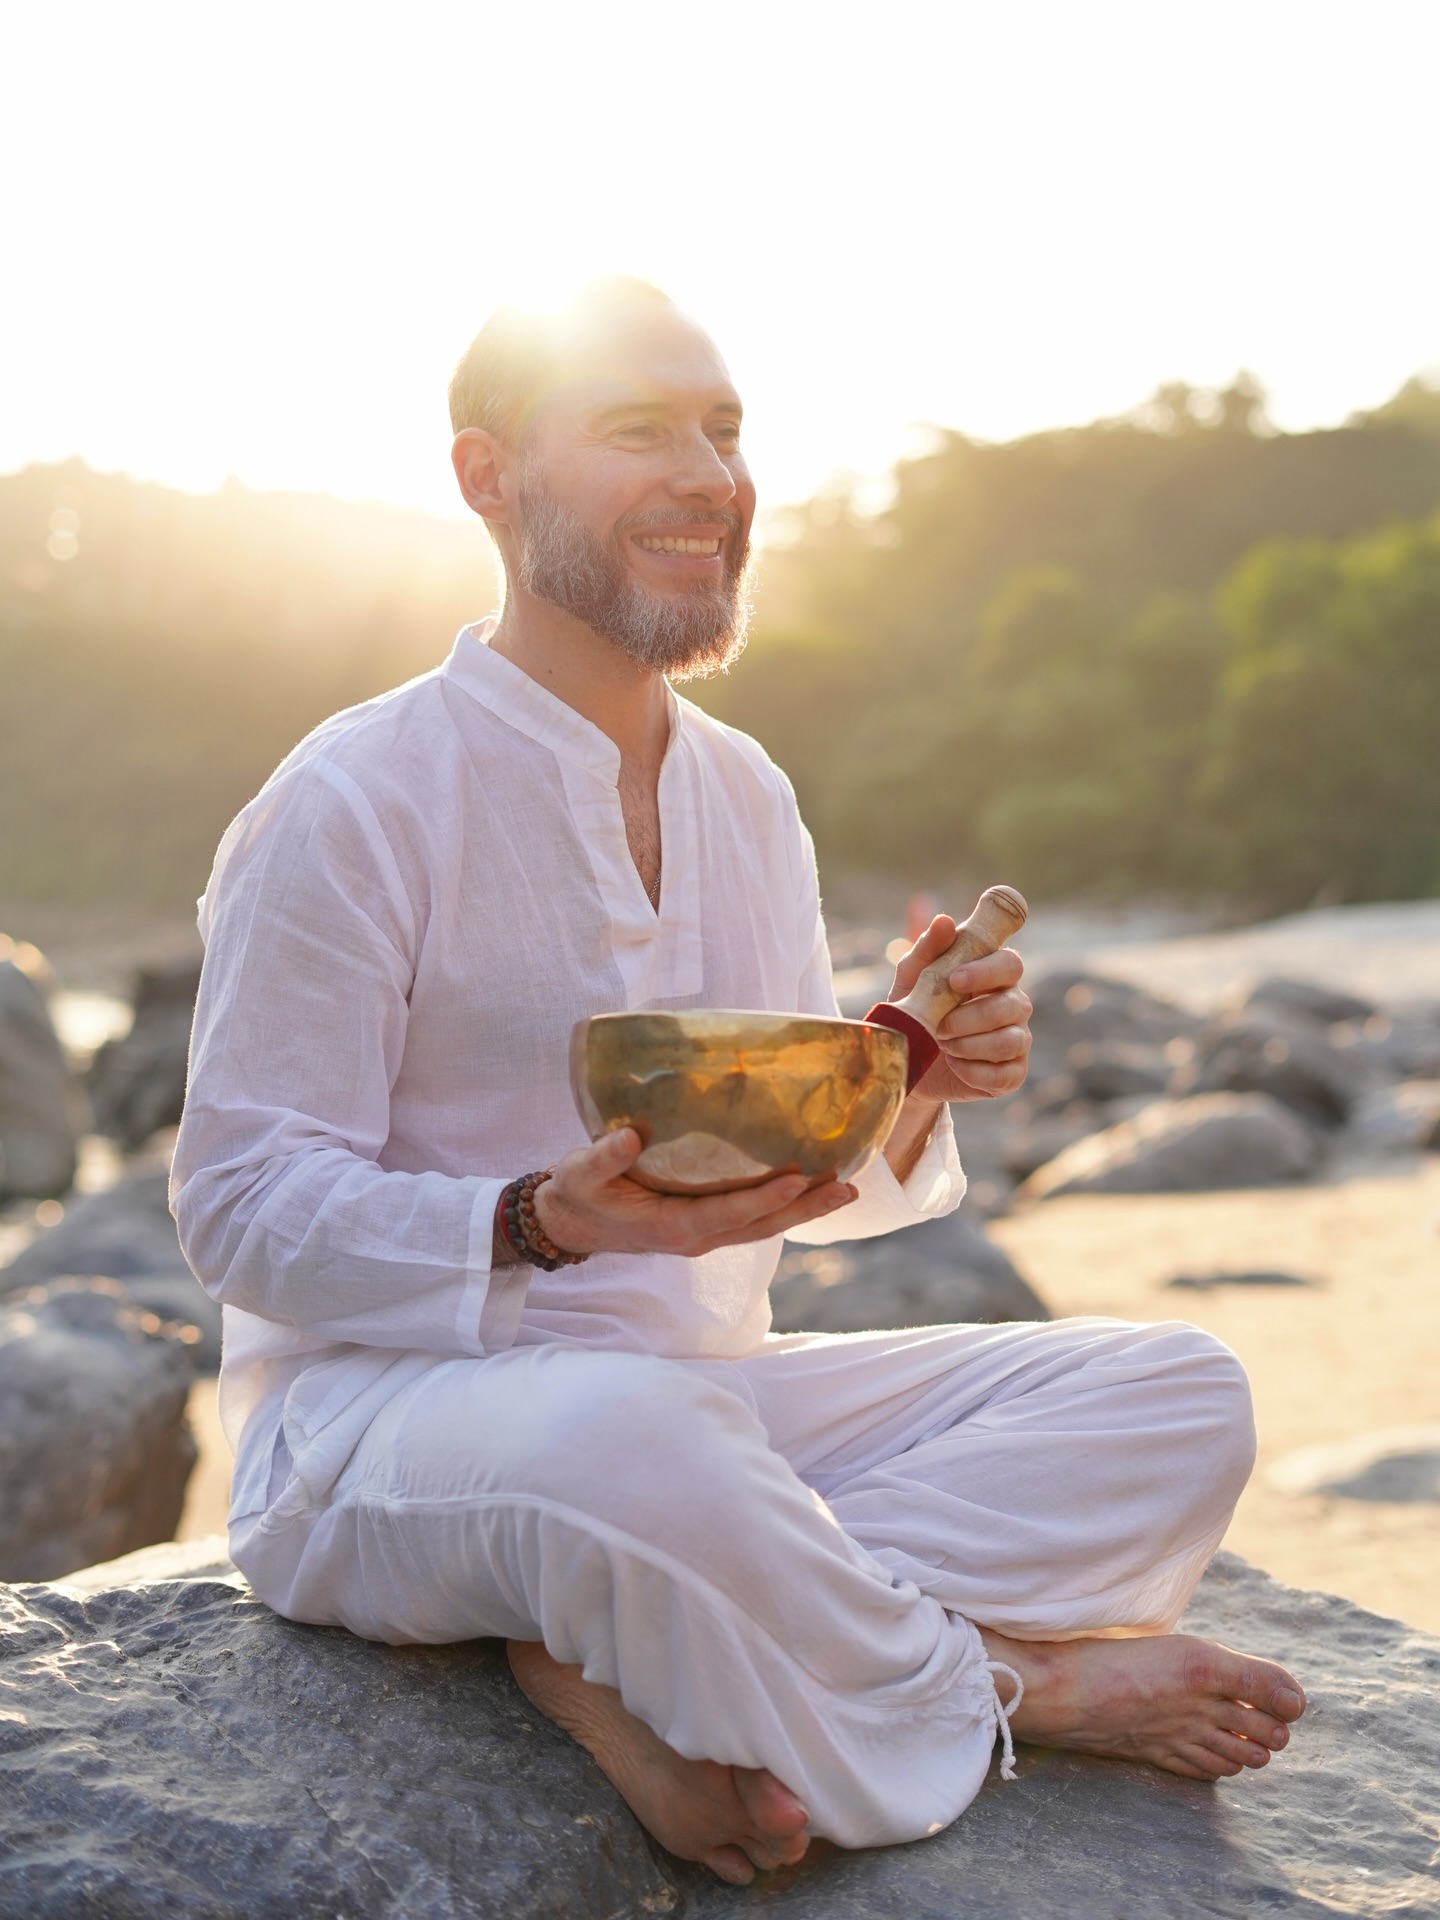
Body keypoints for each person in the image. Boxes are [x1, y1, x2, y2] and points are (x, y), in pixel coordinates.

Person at [172, 278, 1305, 1886]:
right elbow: (237, 1207)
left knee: (1180, 1396)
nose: (711, 476)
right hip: (378, 1439)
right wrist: (534, 1225)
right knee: (631, 1448)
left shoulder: (745, 796)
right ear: (486, 479)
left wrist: (904, 1076)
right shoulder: (352, 798)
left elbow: (778, 1171)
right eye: (642, 431)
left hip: (703, 1416)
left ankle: (622, 1642)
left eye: (725, 432)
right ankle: (1005, 1683)